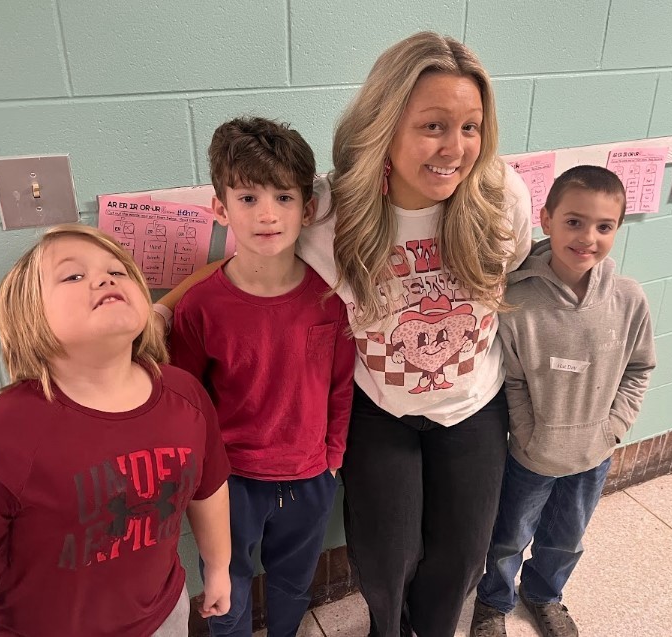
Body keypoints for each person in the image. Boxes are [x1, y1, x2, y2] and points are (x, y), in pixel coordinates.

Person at [156, 32, 531, 637]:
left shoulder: (500, 196)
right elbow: (251, 259)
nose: (454, 148)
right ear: (386, 123)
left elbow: (516, 270)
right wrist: (163, 310)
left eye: (471, 126)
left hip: (471, 404)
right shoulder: (335, 210)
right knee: (386, 560)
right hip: (379, 406)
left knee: (460, 557)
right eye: (433, 125)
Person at [0, 224, 231, 637]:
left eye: (119, 271)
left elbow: (208, 490)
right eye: (73, 275)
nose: (105, 278)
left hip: (164, 618)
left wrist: (219, 568)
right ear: (29, 316)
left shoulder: (186, 396)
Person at [167, 117, 356, 637]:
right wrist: (201, 479)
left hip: (310, 476)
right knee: (226, 581)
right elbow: (185, 400)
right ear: (221, 209)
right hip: (230, 482)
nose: (268, 214)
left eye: (284, 197)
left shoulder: (329, 300)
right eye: (248, 198)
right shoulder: (201, 308)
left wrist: (333, 458)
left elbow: (341, 387)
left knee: (294, 582)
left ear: (308, 208)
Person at [471, 166, 656, 637]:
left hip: (594, 454)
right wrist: (530, 436)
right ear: (546, 218)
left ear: (617, 228)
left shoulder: (629, 299)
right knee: (508, 536)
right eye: (573, 221)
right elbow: (510, 378)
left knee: (566, 538)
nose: (587, 237)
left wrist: (612, 429)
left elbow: (638, 369)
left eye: (603, 226)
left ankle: (545, 594)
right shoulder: (515, 300)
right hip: (530, 455)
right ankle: (493, 601)